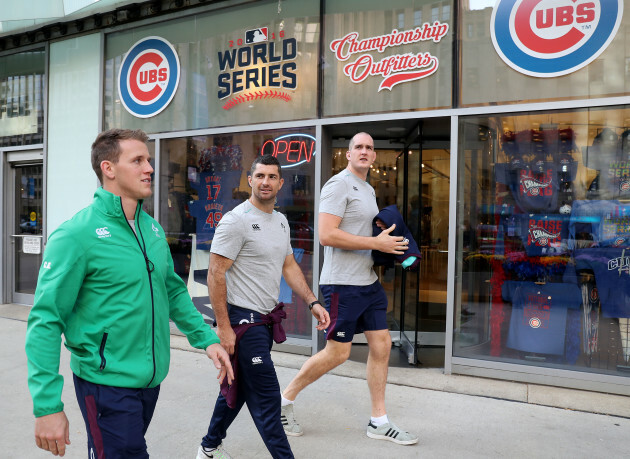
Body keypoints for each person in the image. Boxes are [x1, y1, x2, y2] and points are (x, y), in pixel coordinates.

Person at [25, 129, 233, 458]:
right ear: (108, 168)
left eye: (148, 160)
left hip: (148, 380)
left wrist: (205, 339)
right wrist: (47, 406)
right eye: (137, 160)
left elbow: (173, 291)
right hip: (104, 382)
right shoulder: (76, 234)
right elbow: (45, 320)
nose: (149, 168)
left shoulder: (151, 229)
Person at [280, 132, 419, 445]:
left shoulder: (367, 189)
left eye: (370, 147)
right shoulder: (338, 185)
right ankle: (284, 402)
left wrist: (386, 246)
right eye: (359, 146)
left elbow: (361, 232)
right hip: (341, 283)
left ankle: (379, 421)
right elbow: (326, 235)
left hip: (367, 282)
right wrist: (375, 242)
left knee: (382, 345)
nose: (365, 151)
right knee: (338, 353)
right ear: (348, 153)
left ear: (374, 155)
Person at [196, 154, 330, 459]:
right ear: (250, 180)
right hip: (243, 322)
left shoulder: (280, 220)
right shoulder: (236, 220)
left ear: (280, 183)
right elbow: (216, 274)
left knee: (239, 388)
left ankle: (207, 447)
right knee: (268, 400)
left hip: (266, 321)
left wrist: (312, 302)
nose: (265, 182)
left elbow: (289, 265)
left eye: (272, 177)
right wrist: (224, 328)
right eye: (260, 176)